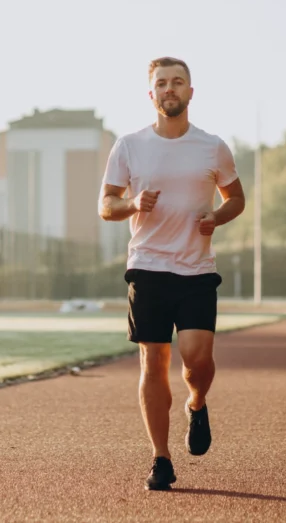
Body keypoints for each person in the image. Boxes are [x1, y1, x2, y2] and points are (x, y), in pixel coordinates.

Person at [98, 56, 246, 491]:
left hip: (197, 269)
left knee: (198, 362)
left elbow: (236, 198)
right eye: (161, 83)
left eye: (177, 82)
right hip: (148, 267)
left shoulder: (213, 146)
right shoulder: (129, 145)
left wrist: (216, 218)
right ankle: (160, 459)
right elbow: (106, 205)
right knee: (154, 361)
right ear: (151, 94)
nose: (169, 89)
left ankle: (197, 403)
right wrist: (132, 203)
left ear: (190, 92)